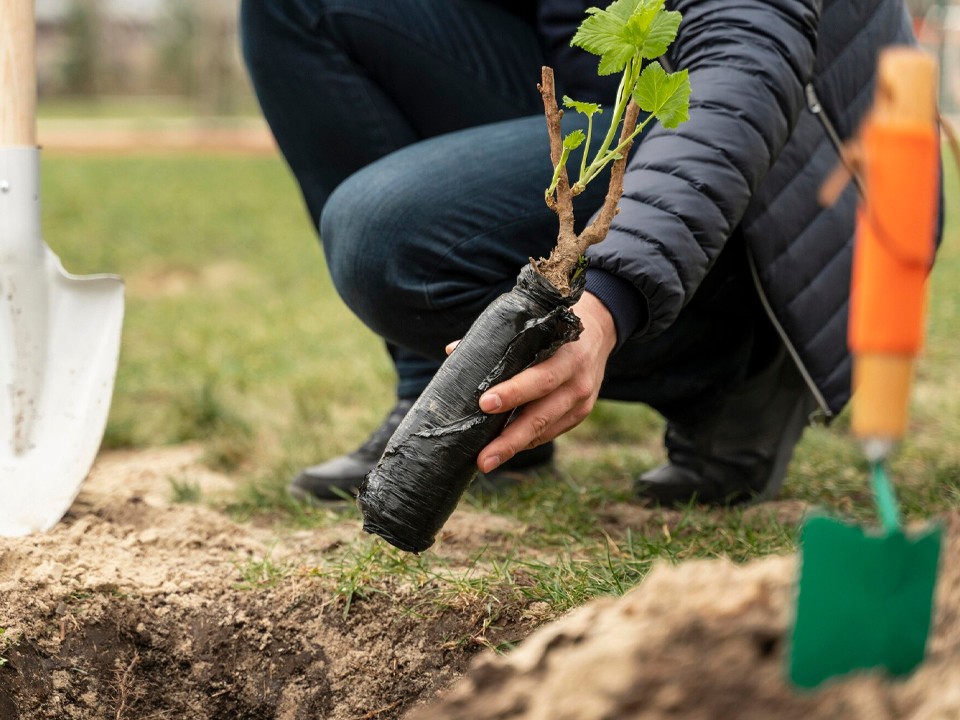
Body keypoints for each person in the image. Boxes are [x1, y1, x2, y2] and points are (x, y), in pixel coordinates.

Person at [240, 0, 937, 506]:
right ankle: (463, 394)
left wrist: (607, 303)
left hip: (779, 178)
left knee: (386, 235)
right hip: (606, 97)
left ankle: (738, 369)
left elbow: (741, 67)